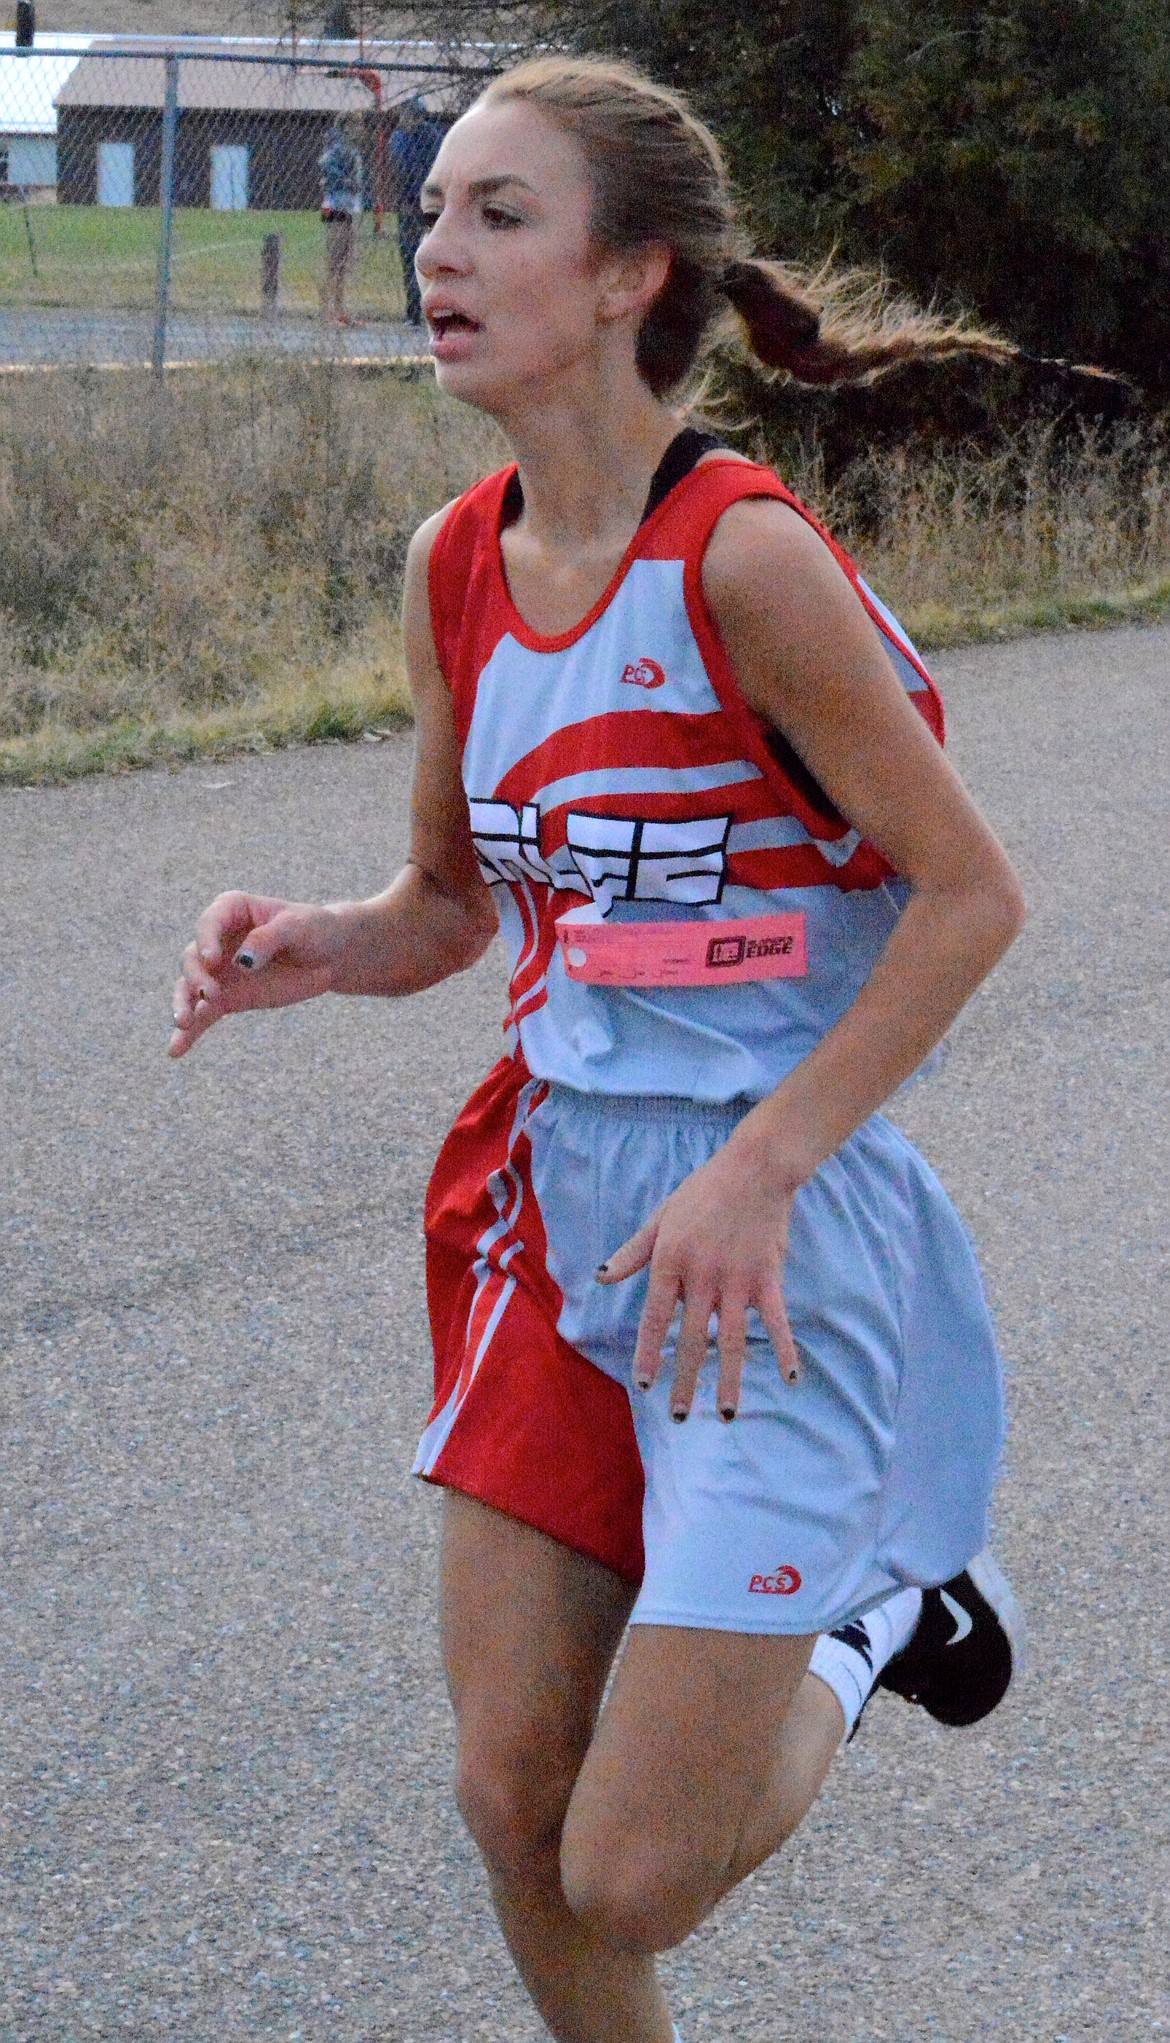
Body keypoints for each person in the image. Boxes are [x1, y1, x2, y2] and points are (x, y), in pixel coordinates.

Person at [170, 55, 1030, 2042]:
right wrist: (314, 942)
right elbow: (459, 906)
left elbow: (972, 896)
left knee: (628, 1867)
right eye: (429, 208)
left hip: (771, 1222)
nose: (432, 250)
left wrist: (762, 1165)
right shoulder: (452, 567)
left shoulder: (737, 556)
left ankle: (881, 1603)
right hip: (555, 1205)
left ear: (632, 270)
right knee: (506, 1794)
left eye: (495, 214)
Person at [388, 95, 444, 326]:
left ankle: (434, 309)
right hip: (409, 203)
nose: (404, 119)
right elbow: (398, 171)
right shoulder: (399, 138)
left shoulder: (430, 136)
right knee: (410, 254)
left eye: (409, 115)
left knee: (432, 257)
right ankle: (413, 311)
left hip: (428, 204)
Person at [318, 118, 364, 326]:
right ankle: (327, 312)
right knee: (333, 261)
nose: (360, 130)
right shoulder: (337, 149)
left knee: (345, 264)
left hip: (350, 208)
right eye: (355, 126)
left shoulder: (354, 151)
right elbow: (324, 164)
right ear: (346, 128)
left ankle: (341, 309)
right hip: (335, 208)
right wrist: (345, 181)